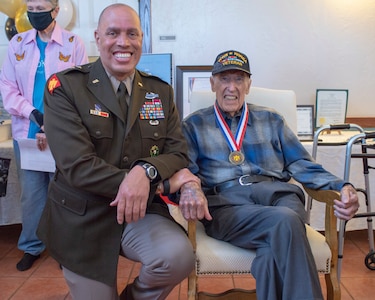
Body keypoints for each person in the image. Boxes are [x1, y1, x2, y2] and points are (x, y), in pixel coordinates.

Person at [36, 4, 200, 300]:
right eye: (113, 33)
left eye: (132, 34)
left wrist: (145, 172)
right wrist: (151, 183)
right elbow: (78, 166)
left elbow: (177, 153)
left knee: (179, 257)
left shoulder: (159, 91)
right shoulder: (65, 88)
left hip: (140, 214)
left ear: (141, 40)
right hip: (82, 216)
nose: (123, 42)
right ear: (98, 38)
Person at [179, 50, 360, 300]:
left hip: (279, 194)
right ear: (212, 83)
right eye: (224, 79)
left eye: (239, 79)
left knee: (275, 239)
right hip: (228, 205)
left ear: (249, 85)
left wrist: (341, 187)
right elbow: (186, 172)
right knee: (285, 223)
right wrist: (192, 189)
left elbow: (301, 163)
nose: (231, 87)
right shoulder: (193, 125)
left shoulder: (271, 119)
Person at [0, 0, 88, 271]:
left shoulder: (73, 43)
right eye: (32, 8)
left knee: (64, 192)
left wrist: (53, 120)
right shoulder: (17, 45)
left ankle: (65, 249)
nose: (36, 14)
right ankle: (31, 246)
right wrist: (34, 114)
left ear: (56, 10)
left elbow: (82, 88)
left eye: (42, 9)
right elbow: (7, 87)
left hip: (61, 132)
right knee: (31, 194)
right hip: (25, 131)